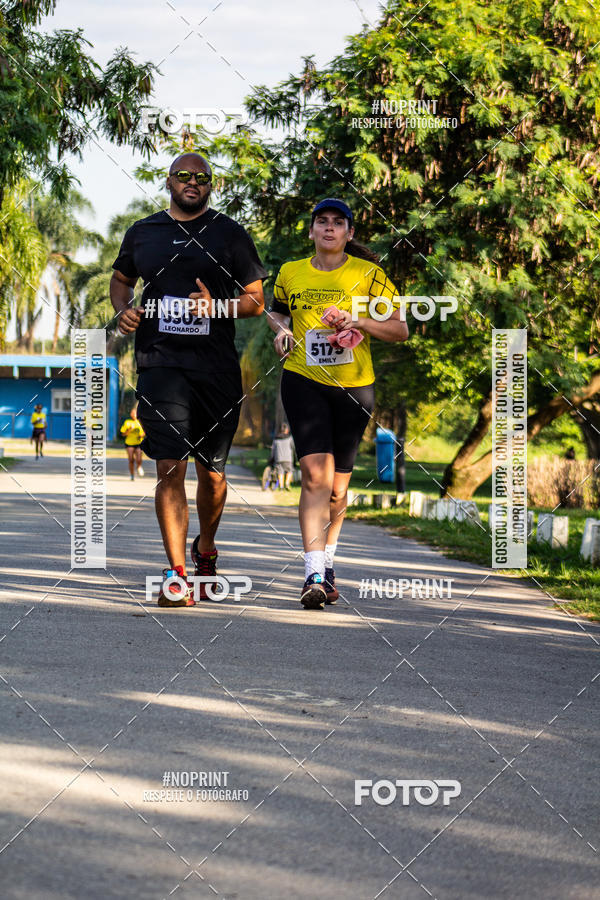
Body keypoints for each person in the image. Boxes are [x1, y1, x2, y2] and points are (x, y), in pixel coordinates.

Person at [110, 152, 267, 607]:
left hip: (215, 367)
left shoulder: (230, 233)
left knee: (213, 476)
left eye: (201, 177)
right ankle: (176, 575)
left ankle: (205, 547)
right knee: (169, 465)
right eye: (183, 175)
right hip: (160, 363)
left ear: (211, 185)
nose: (192, 182)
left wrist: (215, 307)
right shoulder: (143, 232)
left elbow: (255, 301)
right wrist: (123, 310)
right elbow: (121, 280)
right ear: (169, 181)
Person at [269, 198, 409, 609]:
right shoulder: (290, 273)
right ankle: (312, 571)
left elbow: (400, 329)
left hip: (354, 386)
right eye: (321, 222)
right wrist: (281, 330)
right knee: (315, 475)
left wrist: (360, 321)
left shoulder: (370, 275)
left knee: (338, 488)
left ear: (349, 233)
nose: (329, 228)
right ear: (311, 231)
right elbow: (277, 313)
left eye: (338, 223)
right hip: (303, 379)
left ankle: (328, 560)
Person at [120, 405, 146, 479]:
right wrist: (129, 430)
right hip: (129, 443)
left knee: (139, 459)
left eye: (134, 413)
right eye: (132, 413)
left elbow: (145, 432)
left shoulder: (140, 422)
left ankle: (139, 466)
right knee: (131, 459)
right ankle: (132, 475)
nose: (133, 414)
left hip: (139, 443)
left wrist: (142, 435)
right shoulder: (127, 422)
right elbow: (123, 434)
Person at [269, 423, 295, 490]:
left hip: (279, 459)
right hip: (288, 459)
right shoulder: (290, 438)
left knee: (280, 472)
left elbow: (273, 450)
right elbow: (293, 448)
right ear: (287, 430)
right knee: (290, 471)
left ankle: (281, 487)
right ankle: (287, 483)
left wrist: (272, 458)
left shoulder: (276, 439)